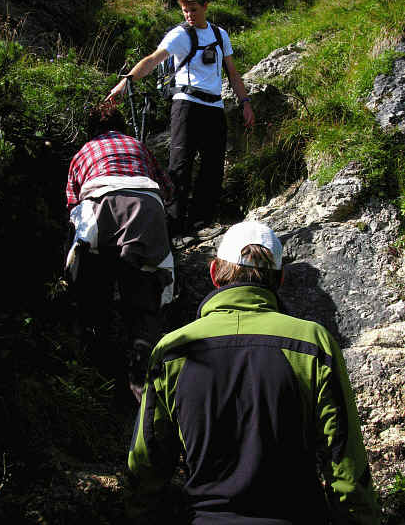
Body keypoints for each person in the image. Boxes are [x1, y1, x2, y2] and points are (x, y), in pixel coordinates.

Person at [126, 220, 381, 524]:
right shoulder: (313, 344)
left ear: (214, 273)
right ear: (281, 278)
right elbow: (344, 460)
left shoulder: (172, 349)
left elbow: (147, 463)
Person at [106, 0, 255, 239]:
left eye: (193, 10)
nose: (189, 15)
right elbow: (152, 60)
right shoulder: (179, 35)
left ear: (206, 7)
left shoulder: (220, 35)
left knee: (213, 166)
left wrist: (245, 103)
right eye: (185, 11)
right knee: (180, 165)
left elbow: (232, 73)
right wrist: (123, 85)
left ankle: (201, 222)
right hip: (186, 104)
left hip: (214, 106)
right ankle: (173, 226)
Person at [65, 100, 174, 402]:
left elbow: (72, 201)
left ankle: (95, 356)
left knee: (93, 285)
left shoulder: (83, 152)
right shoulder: (138, 146)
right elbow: (167, 188)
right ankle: (141, 375)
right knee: (141, 294)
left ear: (91, 129)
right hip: (146, 208)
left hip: (99, 208)